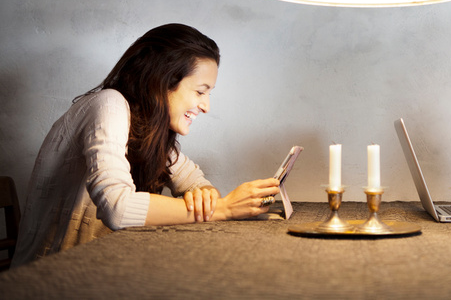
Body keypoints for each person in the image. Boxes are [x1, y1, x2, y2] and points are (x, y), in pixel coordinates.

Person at [12, 24, 281, 267]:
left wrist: (206, 195)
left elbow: (194, 181)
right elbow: (118, 208)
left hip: (103, 274)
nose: (206, 106)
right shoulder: (109, 104)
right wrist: (223, 209)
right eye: (200, 91)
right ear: (162, 81)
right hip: (49, 283)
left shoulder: (150, 131)